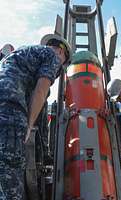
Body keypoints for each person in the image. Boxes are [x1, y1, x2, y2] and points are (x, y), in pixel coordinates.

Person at [0, 33, 71, 200]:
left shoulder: (23, 53)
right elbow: (40, 91)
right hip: (10, 111)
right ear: (61, 52)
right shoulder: (52, 56)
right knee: (11, 177)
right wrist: (29, 125)